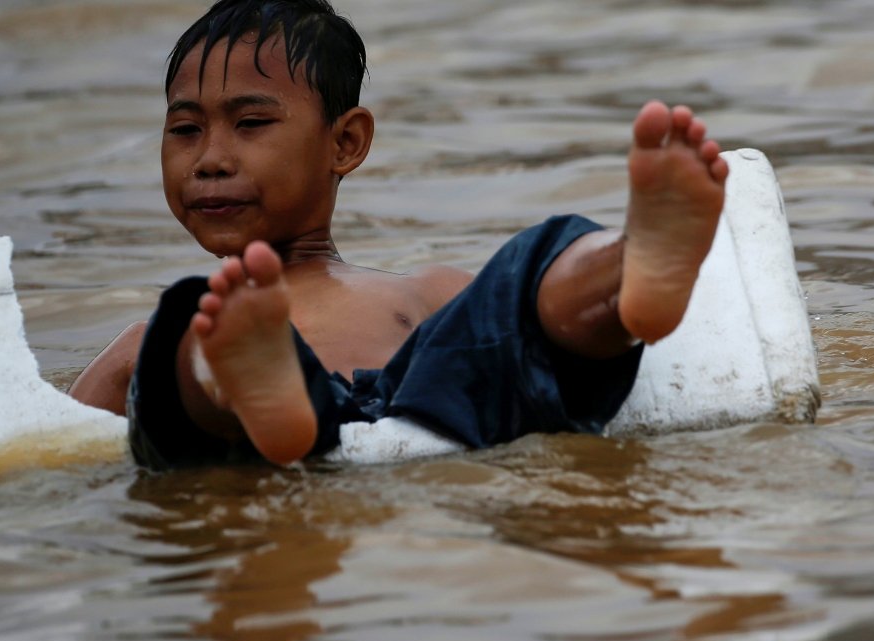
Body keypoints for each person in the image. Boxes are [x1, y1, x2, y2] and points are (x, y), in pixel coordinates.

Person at [68, 0, 729, 469]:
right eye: (185, 130)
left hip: (417, 400)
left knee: (522, 283)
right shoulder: (416, 293)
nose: (209, 157)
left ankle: (629, 265)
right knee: (184, 337)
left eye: (249, 124)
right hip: (305, 405)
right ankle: (256, 388)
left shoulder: (425, 290)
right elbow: (47, 442)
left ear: (346, 142)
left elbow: (46, 448)